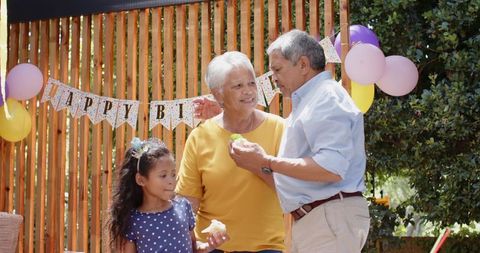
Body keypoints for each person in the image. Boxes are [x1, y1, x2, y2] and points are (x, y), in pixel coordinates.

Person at [197, 30, 370, 253]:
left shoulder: (325, 98)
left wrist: (266, 161)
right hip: (318, 219)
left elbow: (331, 167)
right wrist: (226, 112)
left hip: (329, 217)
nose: (274, 78)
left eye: (277, 69)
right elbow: (291, 172)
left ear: (303, 65)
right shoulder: (310, 102)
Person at [176, 51, 286, 253]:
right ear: (218, 94)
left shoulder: (279, 129)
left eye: (251, 83)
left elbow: (293, 190)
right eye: (238, 86)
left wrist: (259, 165)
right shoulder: (200, 137)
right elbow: (187, 204)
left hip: (267, 247)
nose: (248, 91)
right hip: (213, 248)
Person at [108, 137, 228, 253]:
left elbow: (193, 246)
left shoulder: (183, 207)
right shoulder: (134, 220)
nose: (171, 180)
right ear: (141, 180)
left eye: (173, 174)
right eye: (163, 175)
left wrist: (209, 246)